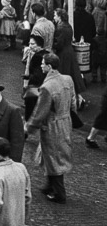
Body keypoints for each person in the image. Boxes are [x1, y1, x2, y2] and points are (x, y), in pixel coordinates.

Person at [26, 53, 75, 204]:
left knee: (54, 157)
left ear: (49, 66)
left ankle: (60, 194)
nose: (41, 66)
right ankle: (49, 185)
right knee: (52, 154)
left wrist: (28, 128)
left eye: (42, 63)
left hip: (52, 125)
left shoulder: (47, 87)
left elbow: (40, 112)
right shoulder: (68, 79)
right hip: (65, 121)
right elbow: (73, 101)